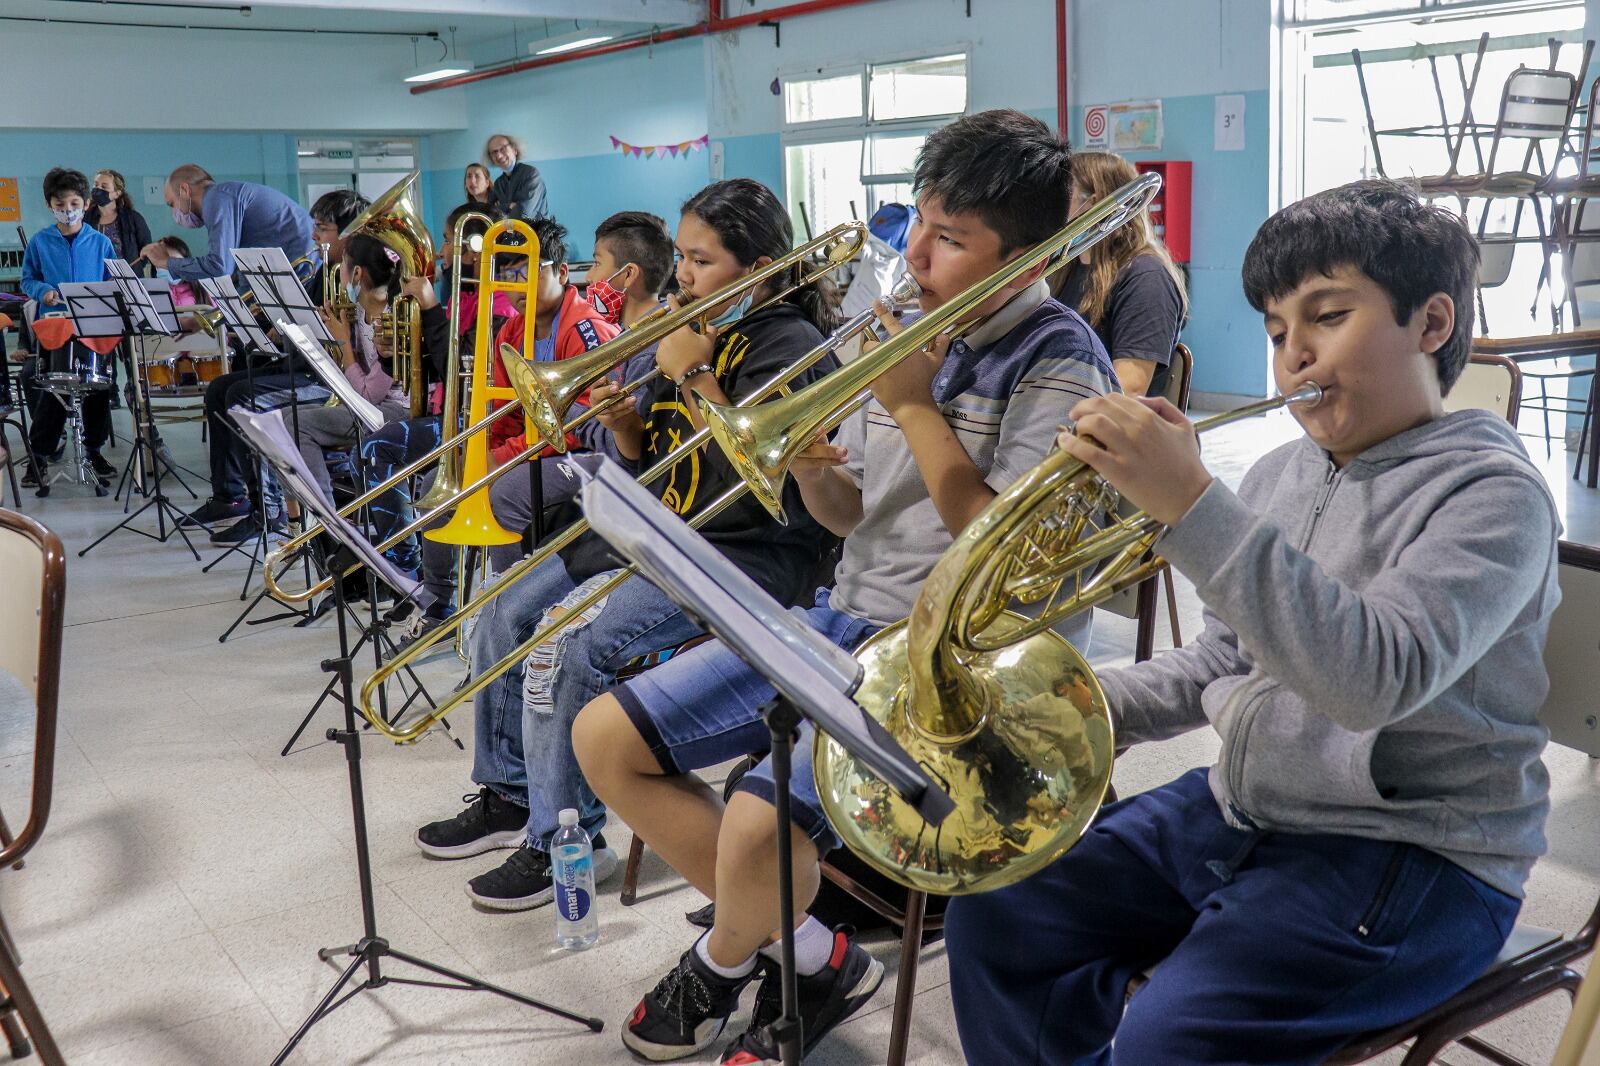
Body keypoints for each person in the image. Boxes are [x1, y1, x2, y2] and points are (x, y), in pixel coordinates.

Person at [943, 178, 1560, 1065]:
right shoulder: (1280, 474)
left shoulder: (1494, 496)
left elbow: (1372, 679)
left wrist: (1194, 507)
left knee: (1168, 1043)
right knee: (998, 911)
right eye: (1275, 331)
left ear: (1431, 324)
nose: (1294, 355)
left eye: (1327, 317)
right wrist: (1063, 710)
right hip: (1247, 807)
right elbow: (1219, 666)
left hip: (1418, 853)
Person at [569, 110, 1116, 1064]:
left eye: (951, 241)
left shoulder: (1059, 362)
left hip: (948, 658)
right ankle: (816, 956)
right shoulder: (907, 331)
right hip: (843, 619)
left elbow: (1003, 555)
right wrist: (810, 466)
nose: (918, 260)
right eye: (920, 229)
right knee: (603, 738)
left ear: (1026, 257)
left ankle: (725, 961)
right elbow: (846, 513)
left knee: (753, 834)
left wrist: (914, 405)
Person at [411, 179, 843, 923]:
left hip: (742, 555)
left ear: (760, 268)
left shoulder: (786, 345)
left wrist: (694, 374)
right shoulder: (694, 324)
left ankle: (567, 838)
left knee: (566, 645)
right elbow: (666, 463)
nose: (683, 275)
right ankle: (511, 791)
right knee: (500, 610)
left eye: (702, 261)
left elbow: (762, 485)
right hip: (661, 529)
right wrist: (625, 428)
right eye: (682, 256)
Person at [386, 209, 677, 660]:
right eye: (506, 275)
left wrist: (503, 457)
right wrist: (481, 451)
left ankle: (509, 621)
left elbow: (585, 425)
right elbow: (504, 412)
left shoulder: (587, 329)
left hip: (582, 452)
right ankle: (438, 602)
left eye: (525, 274)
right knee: (435, 483)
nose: (514, 286)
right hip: (535, 447)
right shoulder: (512, 329)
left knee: (506, 492)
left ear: (560, 273)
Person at [187, 189, 369, 542]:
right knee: (220, 388)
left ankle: (269, 512)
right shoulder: (320, 272)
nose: (314, 236)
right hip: (302, 365)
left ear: (351, 233)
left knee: (243, 396)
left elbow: (337, 339)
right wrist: (275, 322)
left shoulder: (352, 279)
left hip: (326, 378)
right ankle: (230, 496)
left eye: (323, 229)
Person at [287, 233, 414, 507]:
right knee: (286, 418)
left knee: (296, 425)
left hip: (396, 410)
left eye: (342, 264)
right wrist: (325, 336)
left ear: (357, 273)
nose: (338, 272)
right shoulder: (357, 311)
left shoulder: (390, 320)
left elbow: (368, 395)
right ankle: (308, 514)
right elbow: (344, 377)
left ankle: (326, 516)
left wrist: (343, 341)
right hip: (367, 405)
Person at [1050, 151, 1187, 397]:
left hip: (1100, 415)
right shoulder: (1065, 267)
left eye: (1064, 195)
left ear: (1092, 205)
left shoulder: (1146, 277)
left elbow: (1129, 388)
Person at [20, 167, 116, 495]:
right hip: (55, 326)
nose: (68, 209)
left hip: (94, 327)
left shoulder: (101, 243)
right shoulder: (40, 241)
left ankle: (93, 451)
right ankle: (39, 456)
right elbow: (28, 279)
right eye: (60, 204)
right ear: (50, 205)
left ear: (86, 204)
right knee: (54, 389)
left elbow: (113, 282)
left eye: (74, 203)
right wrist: (43, 291)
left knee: (98, 388)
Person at [137, 164, 315, 283]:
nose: (174, 213)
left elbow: (220, 266)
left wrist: (166, 262)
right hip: (292, 262)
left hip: (301, 264)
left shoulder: (217, 199)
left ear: (184, 190)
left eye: (171, 204)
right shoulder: (221, 199)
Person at [88, 169, 152, 270]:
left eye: (104, 186)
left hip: (127, 276)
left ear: (117, 194)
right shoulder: (85, 218)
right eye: (96, 185)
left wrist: (134, 269)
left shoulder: (133, 219)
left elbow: (146, 249)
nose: (98, 189)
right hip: (94, 275)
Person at [485, 133, 549, 222]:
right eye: (494, 152)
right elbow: (489, 213)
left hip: (535, 230)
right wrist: (510, 206)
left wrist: (501, 207)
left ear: (514, 150)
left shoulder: (531, 174)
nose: (499, 155)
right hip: (509, 230)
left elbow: (523, 213)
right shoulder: (498, 184)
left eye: (503, 149)